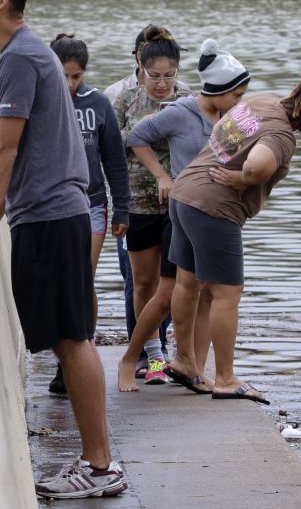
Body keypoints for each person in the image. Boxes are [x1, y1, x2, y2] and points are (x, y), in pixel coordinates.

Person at [0, 0, 126, 499]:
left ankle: (100, 468)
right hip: (56, 214)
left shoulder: (20, 57)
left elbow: (5, 146)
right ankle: (98, 464)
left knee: (72, 341)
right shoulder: (29, 52)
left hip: (48, 215)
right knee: (71, 340)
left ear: (0, 1)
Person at [164, 73, 301, 405]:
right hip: (214, 208)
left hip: (184, 194)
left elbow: (221, 130)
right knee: (227, 293)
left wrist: (232, 166)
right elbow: (258, 166)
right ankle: (227, 379)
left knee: (187, 284)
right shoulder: (282, 134)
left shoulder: (261, 101)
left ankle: (185, 361)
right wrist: (242, 178)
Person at [116, 39, 250, 393]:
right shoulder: (181, 111)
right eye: (237, 95)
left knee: (208, 294)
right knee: (167, 292)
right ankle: (131, 358)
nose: (241, 102)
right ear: (219, 90)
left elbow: (234, 158)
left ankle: (194, 367)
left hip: (213, 215)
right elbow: (136, 137)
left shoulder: (230, 120)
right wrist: (163, 176)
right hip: (179, 211)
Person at [103, 26, 192, 379]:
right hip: (135, 201)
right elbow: (108, 146)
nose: (161, 83)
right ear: (139, 65)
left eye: (169, 76)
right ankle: (144, 351)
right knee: (140, 282)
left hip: (177, 203)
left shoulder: (186, 97)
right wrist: (150, 128)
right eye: (154, 76)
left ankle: (162, 350)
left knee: (171, 281)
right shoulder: (120, 98)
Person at [47, 34, 130, 395]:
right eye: (63, 75)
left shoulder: (96, 104)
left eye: (76, 77)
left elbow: (113, 158)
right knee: (55, 283)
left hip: (91, 204)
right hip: (47, 206)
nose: (69, 84)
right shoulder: (39, 102)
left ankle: (82, 354)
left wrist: (122, 207)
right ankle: (63, 355)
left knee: (81, 279)